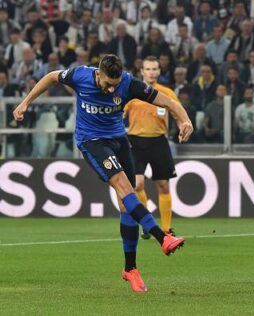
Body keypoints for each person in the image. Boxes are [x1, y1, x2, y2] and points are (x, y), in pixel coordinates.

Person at [12, 54, 193, 293]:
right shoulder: (80, 76)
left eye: (114, 85)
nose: (111, 89)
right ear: (98, 73)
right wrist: (26, 102)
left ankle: (130, 270)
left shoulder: (127, 83)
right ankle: (162, 236)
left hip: (118, 140)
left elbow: (168, 101)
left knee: (125, 205)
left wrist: (185, 120)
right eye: (107, 83)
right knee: (124, 187)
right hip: (92, 141)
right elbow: (51, 76)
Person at [123, 56, 179, 240]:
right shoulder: (132, 92)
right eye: (148, 69)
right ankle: (147, 223)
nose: (152, 72)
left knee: (163, 185)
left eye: (155, 69)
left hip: (158, 141)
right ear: (142, 71)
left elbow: (176, 110)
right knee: (137, 184)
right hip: (135, 142)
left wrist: (182, 123)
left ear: (159, 71)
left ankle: (167, 229)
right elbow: (119, 113)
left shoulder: (166, 93)